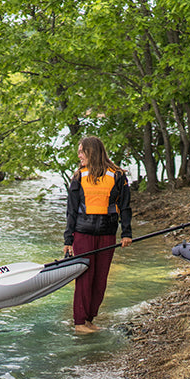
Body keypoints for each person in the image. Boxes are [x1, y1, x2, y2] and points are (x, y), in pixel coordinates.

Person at [63, 136, 132, 334]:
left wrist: (126, 233)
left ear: (92, 152)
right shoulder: (78, 176)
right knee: (84, 278)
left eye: (81, 151)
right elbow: (71, 211)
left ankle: (89, 319)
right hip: (82, 234)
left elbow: (125, 207)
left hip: (107, 234)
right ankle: (79, 323)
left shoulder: (117, 175)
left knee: (100, 280)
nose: (79, 155)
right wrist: (68, 240)